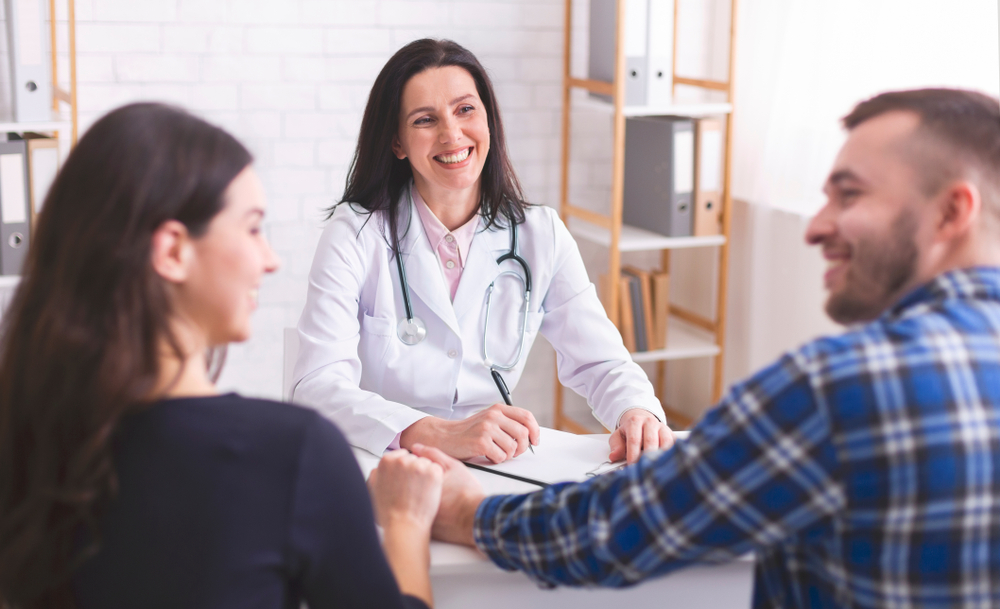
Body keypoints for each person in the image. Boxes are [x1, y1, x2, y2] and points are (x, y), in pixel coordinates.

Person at [411, 88, 1000, 608]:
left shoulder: (840, 388)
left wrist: (469, 513)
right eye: (425, 119)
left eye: (849, 196)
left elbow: (624, 527)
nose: (816, 227)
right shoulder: (358, 231)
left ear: (953, 211)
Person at [0, 103, 442, 609]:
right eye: (252, 228)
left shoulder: (29, 440)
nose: (269, 260)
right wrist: (406, 523)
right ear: (171, 252)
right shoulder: (291, 454)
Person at [292, 38, 672, 465]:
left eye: (465, 110)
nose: (451, 133)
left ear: (488, 120)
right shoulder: (355, 234)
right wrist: (434, 433)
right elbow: (317, 385)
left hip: (491, 465)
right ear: (397, 143)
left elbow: (602, 362)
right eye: (424, 120)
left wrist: (636, 409)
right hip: (378, 461)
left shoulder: (540, 234)